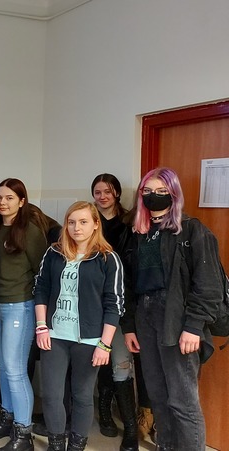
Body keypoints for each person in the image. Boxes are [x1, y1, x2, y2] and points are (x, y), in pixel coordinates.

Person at [122, 167, 223, 451]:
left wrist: (193, 326)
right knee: (157, 395)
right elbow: (127, 284)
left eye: (161, 191)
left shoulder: (192, 230)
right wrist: (128, 326)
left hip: (178, 320)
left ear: (173, 194)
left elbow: (209, 285)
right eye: (147, 191)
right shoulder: (137, 233)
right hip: (144, 316)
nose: (153, 196)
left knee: (182, 401)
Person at [34, 201, 124, 451]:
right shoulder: (54, 253)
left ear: (95, 224)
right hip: (54, 335)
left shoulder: (108, 258)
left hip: (90, 339)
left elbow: (114, 304)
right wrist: (41, 326)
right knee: (51, 395)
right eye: (71, 222)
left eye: (83, 222)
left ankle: (76, 446)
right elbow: (41, 289)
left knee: (82, 395)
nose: (76, 228)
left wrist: (105, 345)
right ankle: (56, 444)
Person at [0, 178, 46, 451]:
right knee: (4, 366)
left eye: (9, 198)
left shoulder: (31, 231)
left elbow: (43, 273)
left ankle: (23, 432)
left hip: (20, 306)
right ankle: (7, 418)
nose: (3, 202)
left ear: (21, 201)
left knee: (15, 370)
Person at [91, 173, 140, 450]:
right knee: (99, 359)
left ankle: (131, 428)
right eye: (98, 192)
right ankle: (105, 413)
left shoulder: (129, 223)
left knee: (120, 362)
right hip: (91, 303)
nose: (102, 197)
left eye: (108, 191)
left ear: (117, 193)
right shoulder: (88, 220)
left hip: (120, 301)